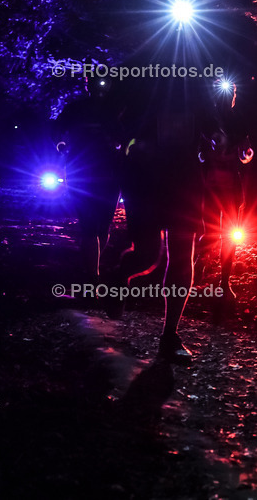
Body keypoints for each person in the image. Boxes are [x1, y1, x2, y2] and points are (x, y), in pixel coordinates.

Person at [119, 75, 208, 363]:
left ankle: (170, 334)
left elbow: (215, 121)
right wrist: (135, 143)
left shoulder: (198, 88)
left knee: (183, 258)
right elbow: (124, 126)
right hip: (148, 183)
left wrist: (219, 135)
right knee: (147, 256)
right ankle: (119, 277)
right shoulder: (144, 85)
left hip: (185, 183)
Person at [53, 76, 123, 284]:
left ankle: (94, 267)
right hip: (83, 171)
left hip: (108, 172)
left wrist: (120, 144)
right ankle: (94, 275)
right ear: (88, 85)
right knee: (89, 225)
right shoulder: (75, 109)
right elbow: (56, 130)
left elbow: (127, 136)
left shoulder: (116, 110)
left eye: (104, 83)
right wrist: (61, 145)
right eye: (96, 83)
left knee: (103, 227)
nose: (100, 88)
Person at [198, 79, 254, 309]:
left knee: (230, 234)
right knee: (209, 232)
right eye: (223, 94)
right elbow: (198, 154)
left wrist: (246, 153)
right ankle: (199, 264)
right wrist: (210, 153)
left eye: (231, 93)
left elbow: (247, 151)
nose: (228, 98)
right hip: (209, 185)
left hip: (231, 186)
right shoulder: (204, 119)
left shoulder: (238, 120)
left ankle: (224, 282)